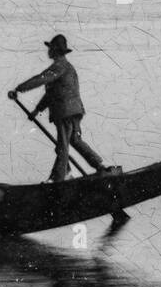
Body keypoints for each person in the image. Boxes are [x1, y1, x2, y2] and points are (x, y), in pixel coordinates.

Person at [9, 34, 114, 182]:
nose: (48, 51)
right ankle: (99, 166)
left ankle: (59, 177)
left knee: (63, 145)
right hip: (74, 110)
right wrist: (37, 110)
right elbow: (52, 94)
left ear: (56, 50)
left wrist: (20, 89)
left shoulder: (60, 66)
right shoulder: (66, 67)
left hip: (65, 112)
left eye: (50, 48)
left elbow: (41, 79)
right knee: (75, 140)